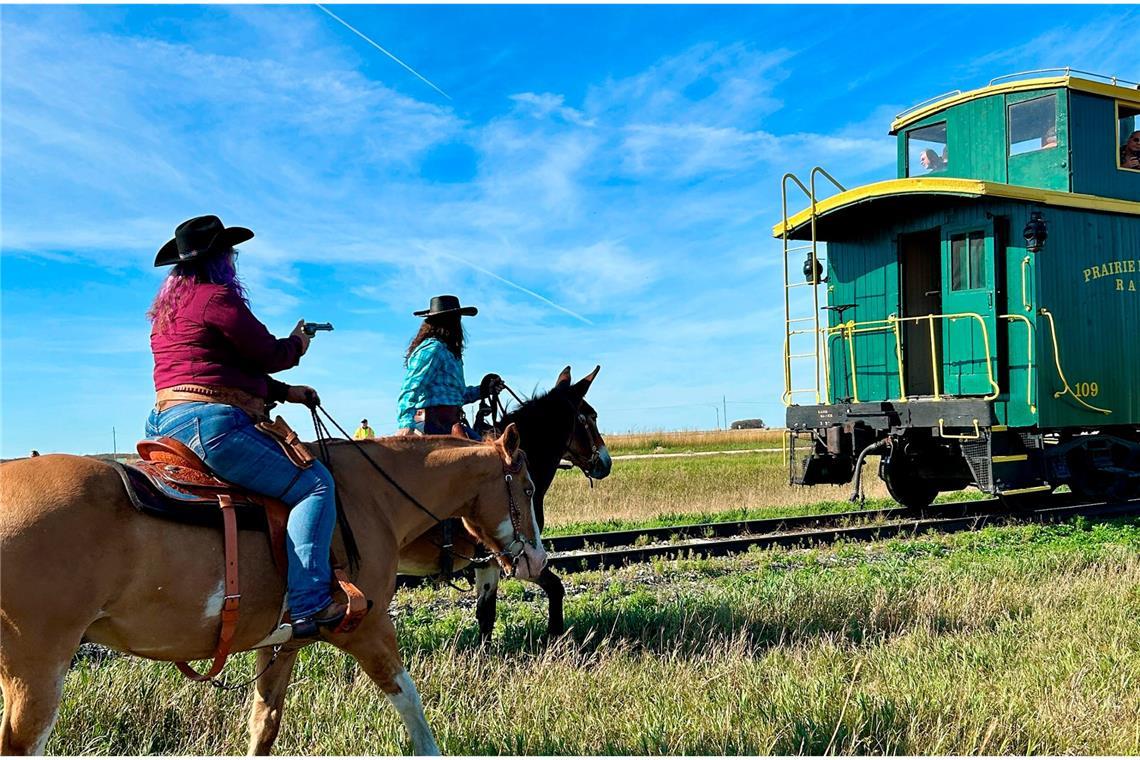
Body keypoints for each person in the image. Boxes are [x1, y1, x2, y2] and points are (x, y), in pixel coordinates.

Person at [145, 215, 346, 638]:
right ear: (219, 257)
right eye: (230, 253)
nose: (234, 260)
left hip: (165, 421)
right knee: (315, 485)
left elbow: (222, 368)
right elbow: (267, 352)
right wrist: (298, 344)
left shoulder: (168, 311)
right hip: (211, 424)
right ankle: (310, 603)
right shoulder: (217, 297)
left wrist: (285, 392)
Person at [396, 295, 503, 437]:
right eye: (456, 318)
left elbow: (456, 395)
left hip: (450, 423)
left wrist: (483, 390)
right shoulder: (433, 348)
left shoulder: (449, 353)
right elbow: (411, 387)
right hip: (432, 425)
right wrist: (405, 424)